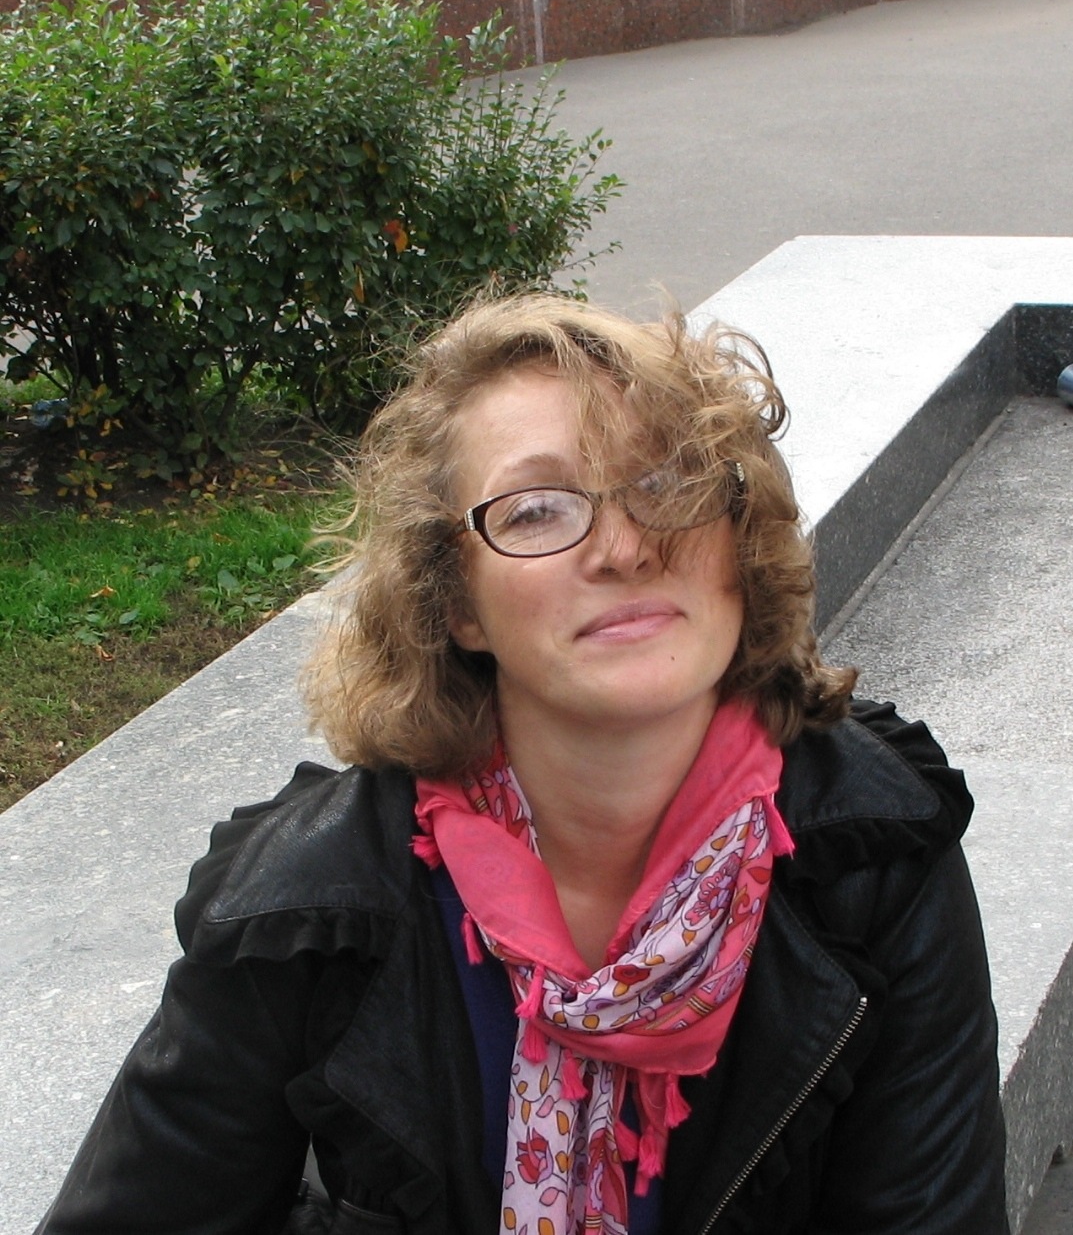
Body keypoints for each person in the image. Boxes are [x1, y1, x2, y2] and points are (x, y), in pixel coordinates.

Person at [37, 293, 1008, 1235]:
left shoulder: (870, 857)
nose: (624, 547)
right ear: (456, 602)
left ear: (737, 540)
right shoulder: (308, 904)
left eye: (667, 482)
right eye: (538, 509)